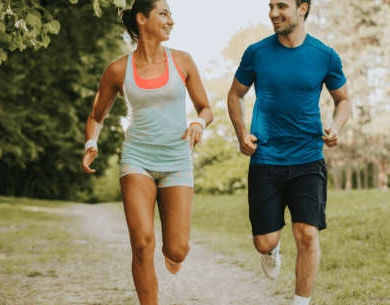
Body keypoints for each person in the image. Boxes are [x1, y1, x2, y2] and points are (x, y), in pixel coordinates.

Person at [82, 1, 213, 304]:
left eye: (171, 15)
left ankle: (175, 253)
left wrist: (197, 122)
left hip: (176, 159)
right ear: (142, 19)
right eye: (164, 14)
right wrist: (92, 143)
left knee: (177, 249)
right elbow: (97, 117)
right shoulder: (117, 69)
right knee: (141, 244)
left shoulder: (182, 61)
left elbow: (205, 108)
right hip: (137, 159)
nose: (171, 21)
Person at [227, 0, 351, 304]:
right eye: (270, 6)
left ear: (303, 8)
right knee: (264, 242)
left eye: (281, 6)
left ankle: (300, 302)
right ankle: (271, 248)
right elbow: (235, 94)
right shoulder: (256, 53)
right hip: (266, 158)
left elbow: (344, 100)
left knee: (308, 234)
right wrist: (242, 133)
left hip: (308, 156)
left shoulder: (324, 55)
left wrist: (336, 126)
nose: (272, 13)